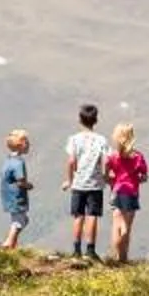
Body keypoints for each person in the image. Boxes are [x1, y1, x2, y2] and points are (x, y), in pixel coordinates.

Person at [64, 102, 111, 260]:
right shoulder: (101, 140)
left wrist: (69, 180)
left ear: (80, 119)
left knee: (78, 216)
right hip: (95, 184)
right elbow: (105, 161)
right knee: (92, 216)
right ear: (96, 120)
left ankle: (76, 249)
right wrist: (105, 176)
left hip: (78, 183)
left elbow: (71, 161)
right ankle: (90, 250)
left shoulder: (74, 139)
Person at [107, 121, 149, 264]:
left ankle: (116, 256)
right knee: (126, 227)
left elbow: (107, 173)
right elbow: (144, 176)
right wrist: (138, 179)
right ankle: (124, 257)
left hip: (116, 191)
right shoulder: (138, 157)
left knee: (116, 225)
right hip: (131, 193)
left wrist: (111, 180)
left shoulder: (113, 156)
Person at [0, 130, 33, 250]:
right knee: (20, 221)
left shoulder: (7, 161)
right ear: (20, 145)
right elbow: (20, 181)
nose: (29, 144)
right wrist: (29, 185)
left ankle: (13, 244)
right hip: (17, 196)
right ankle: (8, 242)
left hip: (7, 195)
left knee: (19, 219)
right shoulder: (18, 163)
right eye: (26, 142)